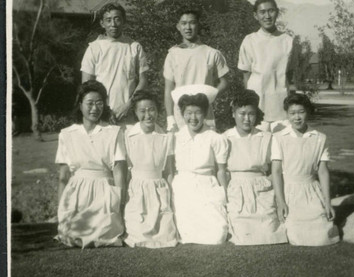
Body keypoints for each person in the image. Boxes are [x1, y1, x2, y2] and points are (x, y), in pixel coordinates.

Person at [56, 80, 125, 248]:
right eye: (90, 103)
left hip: (104, 193)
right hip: (77, 194)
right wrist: (61, 210)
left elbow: (119, 172)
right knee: (71, 234)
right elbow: (64, 175)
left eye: (99, 103)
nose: (95, 108)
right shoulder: (67, 134)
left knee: (104, 233)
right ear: (80, 105)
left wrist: (120, 204)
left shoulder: (114, 132)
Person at [271, 93, 339, 246]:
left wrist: (328, 202)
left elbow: (322, 172)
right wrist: (281, 201)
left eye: (301, 112)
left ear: (308, 112)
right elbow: (275, 171)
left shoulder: (319, 138)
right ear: (287, 114)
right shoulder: (279, 137)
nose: (297, 117)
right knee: (295, 235)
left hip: (311, 192)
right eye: (292, 113)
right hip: (289, 192)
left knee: (322, 235)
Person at [224, 89, 288, 245]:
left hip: (261, 190)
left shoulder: (267, 137)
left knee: (269, 232)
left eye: (251, 114)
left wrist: (277, 196)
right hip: (236, 191)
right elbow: (221, 171)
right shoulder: (225, 138)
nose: (246, 119)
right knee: (241, 233)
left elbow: (276, 170)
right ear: (233, 113)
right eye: (242, 113)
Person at [171, 88, 229, 244]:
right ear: (182, 114)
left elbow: (221, 171)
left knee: (217, 234)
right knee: (187, 232)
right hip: (183, 188)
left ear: (205, 114)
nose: (193, 118)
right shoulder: (176, 137)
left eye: (198, 112)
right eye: (188, 113)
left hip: (206, 186)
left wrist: (224, 196)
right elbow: (169, 168)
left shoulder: (215, 138)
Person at [123, 90, 178, 248]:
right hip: (136, 191)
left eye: (151, 109)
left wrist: (169, 198)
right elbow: (126, 171)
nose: (148, 115)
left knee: (166, 235)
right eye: (142, 111)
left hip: (159, 190)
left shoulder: (166, 137)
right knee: (138, 234)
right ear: (135, 112)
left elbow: (168, 171)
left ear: (157, 110)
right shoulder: (127, 135)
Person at [81, 2, 149, 124]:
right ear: (102, 23)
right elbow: (87, 86)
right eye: (108, 20)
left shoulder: (134, 47)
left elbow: (143, 81)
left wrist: (128, 105)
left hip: (129, 114)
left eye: (117, 19)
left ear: (124, 21)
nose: (113, 24)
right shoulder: (94, 48)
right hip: (102, 115)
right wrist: (105, 110)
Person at [163, 8, 229, 131]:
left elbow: (224, 82)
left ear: (198, 25)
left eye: (192, 23)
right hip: (180, 115)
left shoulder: (212, 53)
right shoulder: (172, 54)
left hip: (205, 113)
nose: (188, 27)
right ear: (178, 26)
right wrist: (170, 119)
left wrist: (209, 95)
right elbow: (168, 89)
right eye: (183, 23)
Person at [238, 0, 293, 127]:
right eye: (262, 12)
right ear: (256, 16)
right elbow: (246, 76)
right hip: (257, 103)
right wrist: (249, 104)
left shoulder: (287, 40)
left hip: (280, 103)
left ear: (277, 12)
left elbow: (290, 75)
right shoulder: (249, 40)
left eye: (271, 11)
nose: (267, 16)